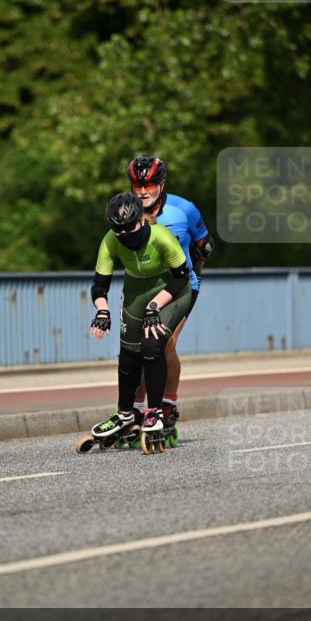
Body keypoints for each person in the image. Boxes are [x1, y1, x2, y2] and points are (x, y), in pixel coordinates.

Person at [84, 191, 198, 451]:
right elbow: (99, 287)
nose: (125, 235)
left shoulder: (161, 237)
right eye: (118, 230)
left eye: (130, 228)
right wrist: (102, 311)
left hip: (172, 290)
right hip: (137, 290)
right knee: (127, 354)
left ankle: (155, 411)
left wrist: (155, 306)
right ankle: (126, 412)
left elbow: (182, 277)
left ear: (142, 220)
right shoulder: (111, 241)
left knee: (152, 343)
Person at [126, 155, 213, 431]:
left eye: (149, 184)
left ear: (161, 184)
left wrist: (193, 278)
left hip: (181, 286)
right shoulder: (126, 210)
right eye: (137, 184)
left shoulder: (184, 209)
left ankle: (168, 404)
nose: (143, 191)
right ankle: (138, 409)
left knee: (164, 343)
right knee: (140, 347)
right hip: (146, 287)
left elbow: (204, 246)